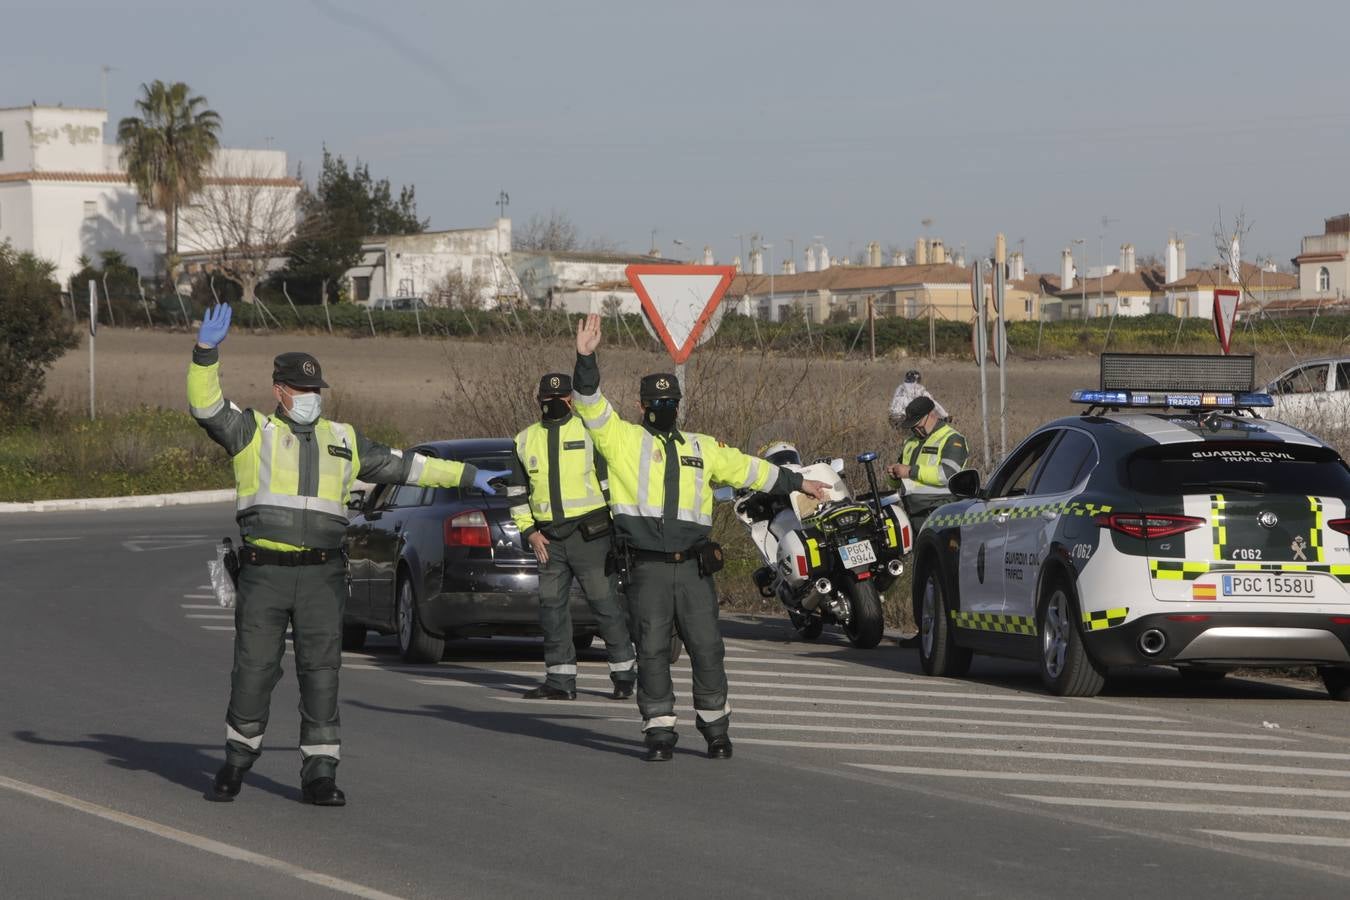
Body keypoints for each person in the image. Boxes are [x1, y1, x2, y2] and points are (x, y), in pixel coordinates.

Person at [187, 303, 508, 806]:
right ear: (280, 392)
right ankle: (235, 764)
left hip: (322, 576)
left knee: (321, 673)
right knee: (254, 670)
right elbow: (206, 407)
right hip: (264, 574)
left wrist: (469, 477)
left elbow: (407, 467)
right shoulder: (252, 432)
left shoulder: (344, 440)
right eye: (303, 390)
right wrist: (205, 353)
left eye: (317, 390)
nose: (312, 398)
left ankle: (320, 774)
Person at [570, 313, 831, 762]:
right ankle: (659, 732)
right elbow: (590, 403)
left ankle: (716, 730)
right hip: (647, 567)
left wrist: (797, 482)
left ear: (678, 405)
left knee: (708, 647)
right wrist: (586, 357)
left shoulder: (700, 446)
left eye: (669, 401)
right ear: (641, 406)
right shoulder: (622, 440)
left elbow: (752, 469)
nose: (663, 408)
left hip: (692, 567)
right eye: (656, 401)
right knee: (651, 650)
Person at [510, 372, 637, 702]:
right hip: (548, 541)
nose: (557, 404)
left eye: (563, 399)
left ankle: (624, 675)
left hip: (590, 535)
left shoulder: (589, 431)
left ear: (572, 400)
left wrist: (620, 525)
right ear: (539, 401)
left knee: (604, 604)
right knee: (551, 608)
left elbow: (610, 482)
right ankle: (560, 681)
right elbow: (517, 493)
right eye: (550, 400)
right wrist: (529, 532)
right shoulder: (524, 440)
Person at [886, 395, 968, 489]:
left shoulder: (953, 439)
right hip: (910, 502)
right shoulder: (910, 442)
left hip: (944, 502)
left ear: (931, 415)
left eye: (918, 425)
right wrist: (894, 476)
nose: (915, 430)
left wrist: (910, 471)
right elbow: (896, 484)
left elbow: (949, 474)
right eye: (912, 427)